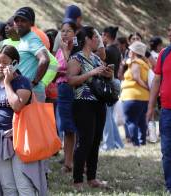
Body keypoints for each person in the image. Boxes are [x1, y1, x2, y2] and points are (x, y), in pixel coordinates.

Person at [0, 45, 47, 196]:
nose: (0, 66)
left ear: (15, 63)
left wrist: (7, 83)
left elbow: (17, 106)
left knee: (24, 185)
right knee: (8, 187)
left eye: (4, 62)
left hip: (20, 139)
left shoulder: (22, 82)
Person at [67, 26, 113, 189]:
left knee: (95, 141)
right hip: (83, 103)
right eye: (95, 37)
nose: (97, 41)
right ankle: (77, 180)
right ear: (87, 39)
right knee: (85, 141)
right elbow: (71, 80)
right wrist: (91, 73)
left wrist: (108, 75)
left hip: (99, 103)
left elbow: (103, 80)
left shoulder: (96, 58)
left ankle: (92, 178)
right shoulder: (76, 58)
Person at [147, 23, 171, 193]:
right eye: (169, 29)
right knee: (167, 150)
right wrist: (150, 107)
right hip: (167, 111)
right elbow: (156, 82)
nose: (169, 32)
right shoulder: (164, 54)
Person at [54, 18, 77, 173]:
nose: (65, 33)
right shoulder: (59, 50)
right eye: (63, 31)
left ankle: (76, 161)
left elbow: (73, 71)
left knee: (74, 127)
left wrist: (67, 52)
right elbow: (54, 69)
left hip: (74, 90)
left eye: (68, 30)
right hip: (61, 90)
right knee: (66, 128)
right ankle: (68, 162)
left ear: (75, 33)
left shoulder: (77, 49)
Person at [13, 7, 50, 102]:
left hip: (32, 93)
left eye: (23, 20)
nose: (19, 23)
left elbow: (45, 59)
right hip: (24, 91)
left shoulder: (32, 39)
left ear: (31, 23)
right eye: (17, 20)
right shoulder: (22, 39)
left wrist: (34, 82)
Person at [120, 41, 150, 146]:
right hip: (144, 97)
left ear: (134, 52)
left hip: (131, 96)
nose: (128, 51)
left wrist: (146, 87)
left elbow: (137, 78)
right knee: (141, 121)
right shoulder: (145, 64)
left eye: (130, 49)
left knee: (131, 121)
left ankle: (135, 144)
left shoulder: (135, 63)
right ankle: (142, 142)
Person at [100, 26, 124, 151]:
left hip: (108, 84)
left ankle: (108, 144)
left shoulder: (107, 51)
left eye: (102, 35)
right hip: (115, 84)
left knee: (106, 116)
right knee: (110, 116)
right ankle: (118, 143)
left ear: (106, 35)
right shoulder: (117, 50)